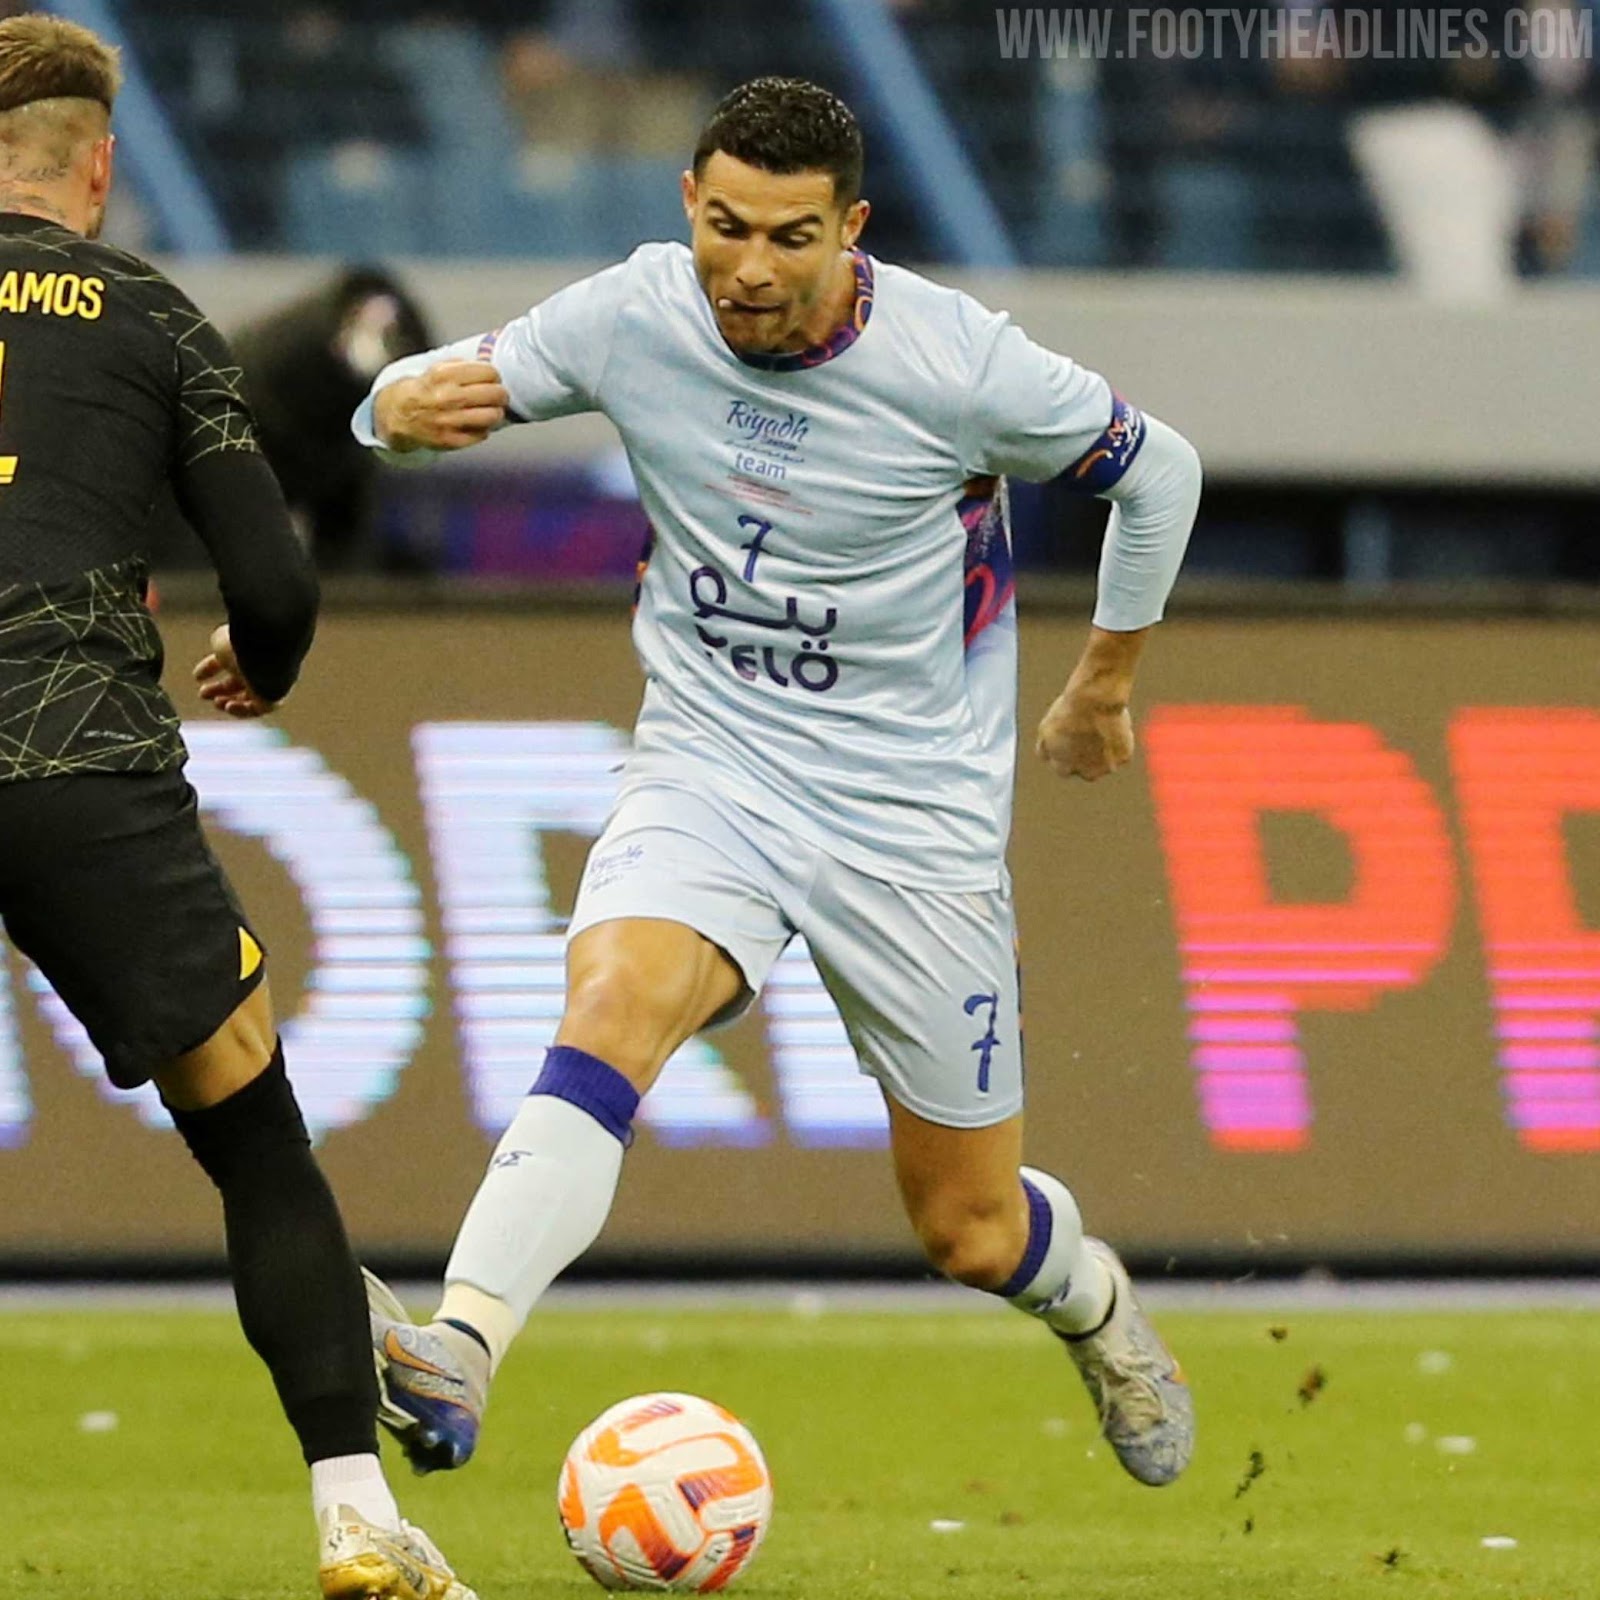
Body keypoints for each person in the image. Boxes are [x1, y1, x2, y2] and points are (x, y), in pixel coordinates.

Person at [355, 76, 1202, 1490]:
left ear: (851, 231)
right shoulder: (636, 312)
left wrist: (1103, 682)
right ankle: (463, 1345)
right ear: (690, 202)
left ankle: (1097, 1306)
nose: (749, 270)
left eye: (791, 238)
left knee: (971, 1231)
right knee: (612, 1002)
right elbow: (416, 394)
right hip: (715, 762)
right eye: (728, 228)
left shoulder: (958, 364)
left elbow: (1159, 472)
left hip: (911, 820)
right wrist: (391, 409)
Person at [0, 16, 472, 1599]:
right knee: (253, 1134)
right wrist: (257, 666)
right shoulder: (149, 314)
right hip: (76, 758)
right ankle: (356, 1515)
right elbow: (273, 581)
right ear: (99, 170)